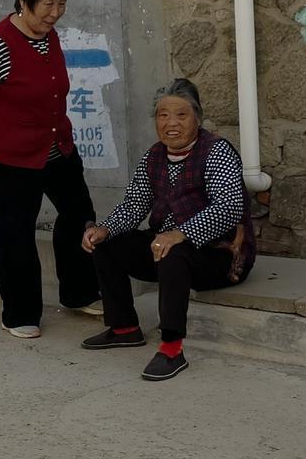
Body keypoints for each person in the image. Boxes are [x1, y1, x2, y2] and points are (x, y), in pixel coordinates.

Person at [80, 76, 256, 382]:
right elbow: (135, 205)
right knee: (107, 244)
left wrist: (181, 233)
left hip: (219, 255)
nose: (170, 123)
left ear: (197, 118)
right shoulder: (154, 155)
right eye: (163, 115)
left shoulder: (217, 151)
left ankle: (172, 348)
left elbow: (229, 207)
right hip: (166, 246)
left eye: (181, 114)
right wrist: (105, 229)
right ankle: (124, 327)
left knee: (174, 252)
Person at [0, 0, 99, 339]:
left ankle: (79, 292)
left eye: (62, 4)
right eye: (48, 4)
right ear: (24, 1)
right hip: (12, 159)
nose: (55, 14)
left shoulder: (48, 36)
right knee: (16, 233)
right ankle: (20, 313)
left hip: (58, 147)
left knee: (78, 214)